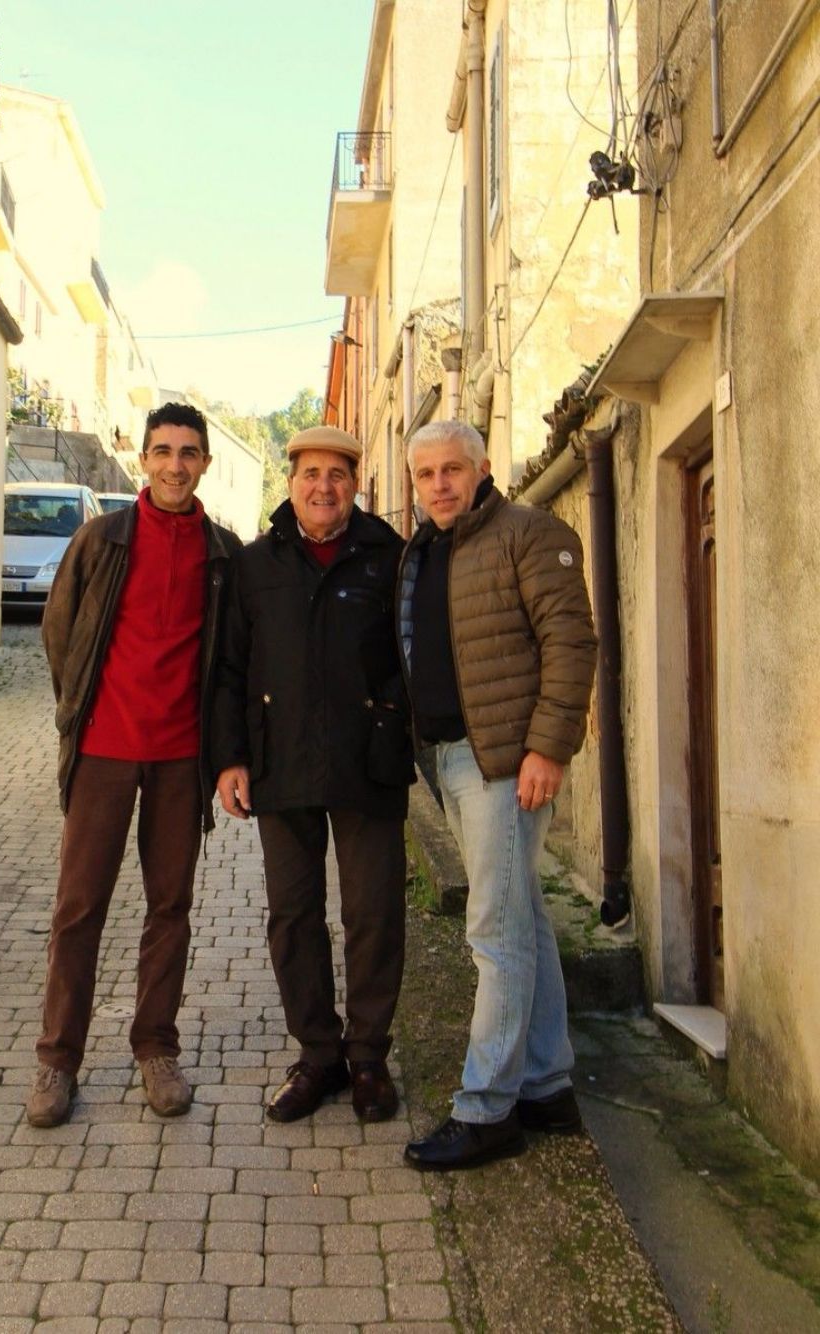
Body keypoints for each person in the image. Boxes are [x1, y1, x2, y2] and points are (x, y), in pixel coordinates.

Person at [26, 401, 241, 1128]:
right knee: (78, 908)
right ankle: (58, 1062)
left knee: (169, 908)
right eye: (163, 451)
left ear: (205, 463)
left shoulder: (223, 554)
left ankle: (156, 1047)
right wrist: (81, 717)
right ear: (144, 460)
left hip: (182, 758)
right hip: (104, 754)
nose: (175, 464)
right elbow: (60, 635)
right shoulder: (101, 540)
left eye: (188, 452)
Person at [397, 420, 597, 1170]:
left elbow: (572, 640)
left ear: (482, 468)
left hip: (505, 762)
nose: (440, 484)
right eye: (426, 475)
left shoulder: (527, 533)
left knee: (494, 932)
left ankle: (487, 1110)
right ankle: (547, 1086)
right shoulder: (426, 550)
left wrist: (549, 746)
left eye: (453, 469)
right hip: (449, 760)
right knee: (525, 921)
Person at [213, 426, 413, 1124]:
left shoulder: (388, 555)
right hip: (282, 761)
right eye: (310, 474)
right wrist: (231, 758)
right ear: (290, 481)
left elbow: (411, 656)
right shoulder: (257, 563)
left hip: (371, 761)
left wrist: (401, 726)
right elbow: (230, 667)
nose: (323, 486)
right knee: (293, 917)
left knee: (374, 914)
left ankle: (368, 1059)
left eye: (336, 474)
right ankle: (318, 1055)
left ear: (354, 483)